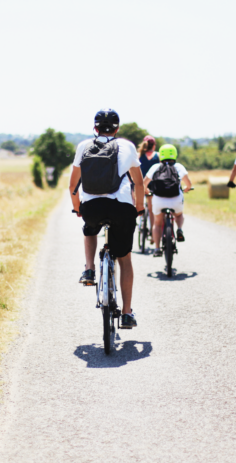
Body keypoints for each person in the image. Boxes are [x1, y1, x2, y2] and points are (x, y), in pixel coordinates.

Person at [69, 108, 145, 329]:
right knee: (125, 259)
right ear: (117, 128)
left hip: (92, 206)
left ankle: (90, 269)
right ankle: (127, 313)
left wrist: (78, 209)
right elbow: (138, 183)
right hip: (121, 207)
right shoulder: (128, 146)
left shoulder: (84, 146)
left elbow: (73, 185)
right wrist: (138, 208)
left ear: (95, 128)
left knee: (90, 229)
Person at [143, 144, 193, 257]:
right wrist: (187, 188)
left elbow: (144, 183)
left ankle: (156, 248)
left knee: (157, 223)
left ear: (161, 155)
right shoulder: (179, 166)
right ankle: (179, 229)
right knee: (179, 215)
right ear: (175, 154)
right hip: (176, 199)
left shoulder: (155, 167)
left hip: (158, 199)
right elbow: (188, 183)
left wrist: (146, 191)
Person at [138, 135, 160, 236]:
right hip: (155, 185)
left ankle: (142, 224)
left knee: (144, 206)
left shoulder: (139, 155)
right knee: (152, 209)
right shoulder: (158, 156)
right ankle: (152, 231)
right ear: (154, 146)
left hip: (141, 184)